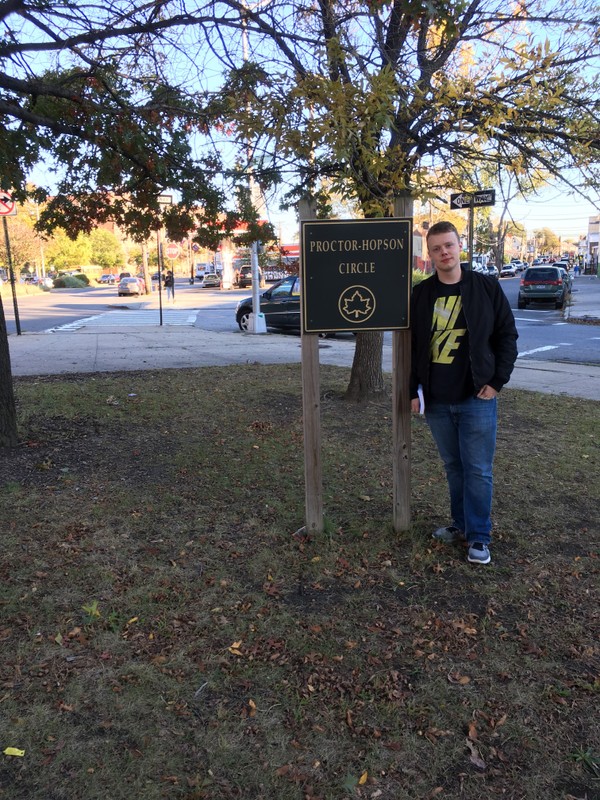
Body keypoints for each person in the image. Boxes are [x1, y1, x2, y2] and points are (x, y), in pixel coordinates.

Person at [410, 221, 518, 565]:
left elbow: (507, 336)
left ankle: (479, 537)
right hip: (437, 400)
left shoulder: (484, 288)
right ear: (430, 255)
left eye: (449, 246)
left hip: (477, 397)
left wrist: (498, 380)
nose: (444, 253)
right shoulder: (422, 294)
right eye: (437, 248)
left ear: (460, 247)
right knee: (453, 467)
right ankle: (460, 524)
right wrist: (413, 389)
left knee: (478, 469)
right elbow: (414, 347)